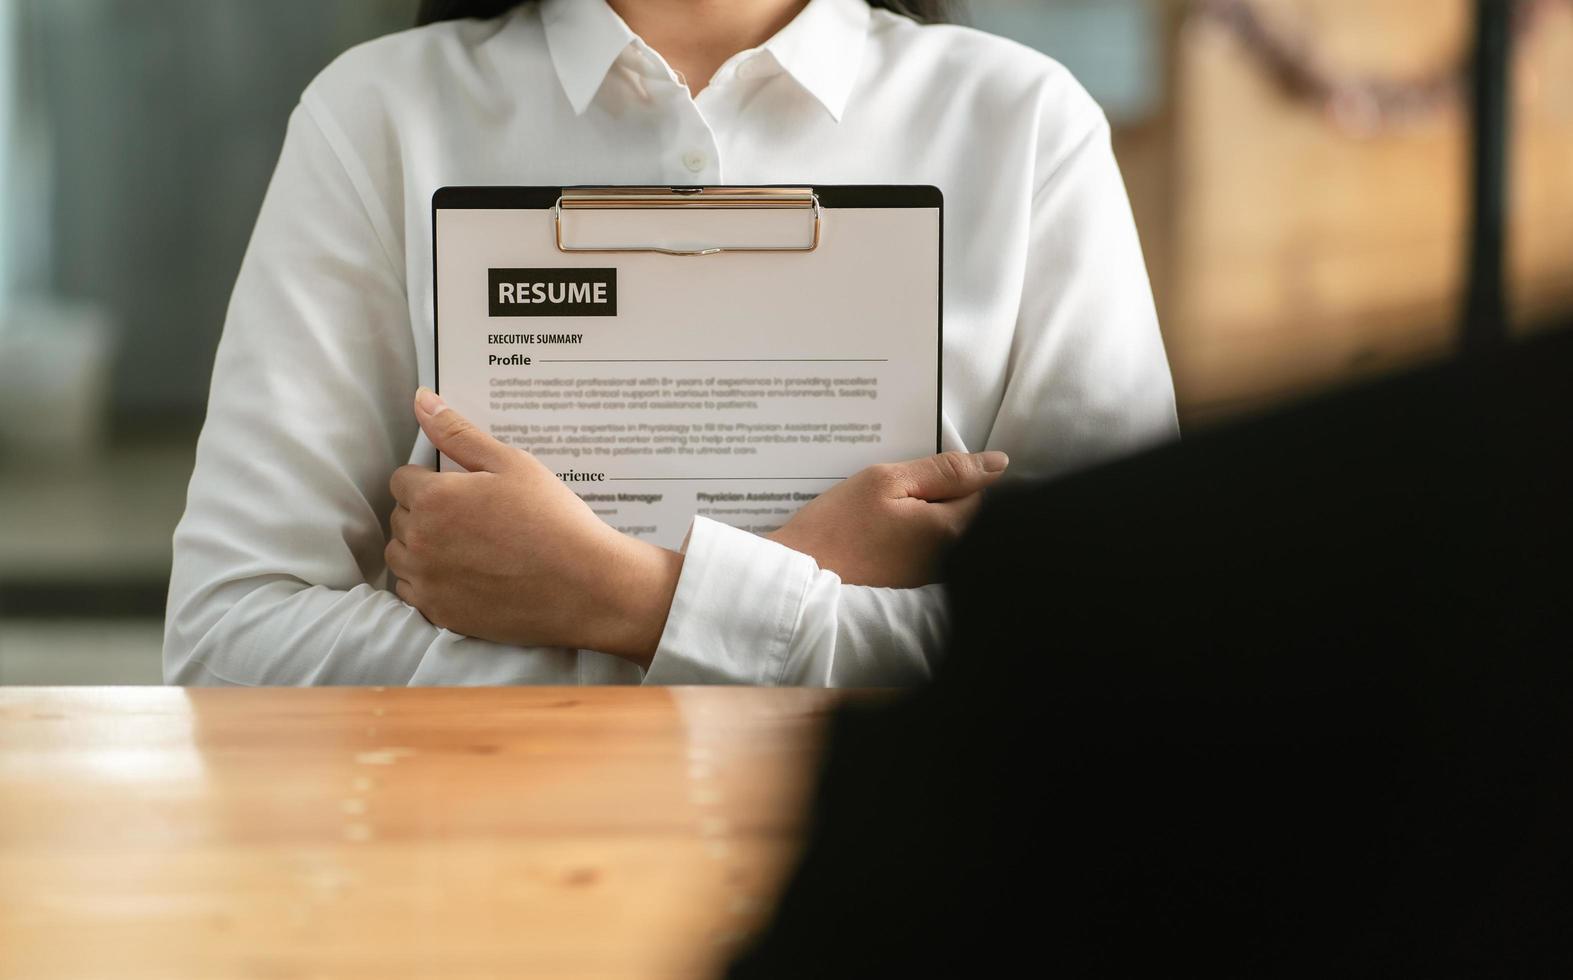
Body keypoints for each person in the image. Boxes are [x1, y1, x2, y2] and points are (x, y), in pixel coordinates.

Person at [164, 0, 1176, 687]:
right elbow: (227, 637)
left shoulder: (1024, 124)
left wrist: (616, 596)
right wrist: (783, 605)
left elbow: (1129, 655)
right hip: (486, 884)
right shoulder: (377, 114)